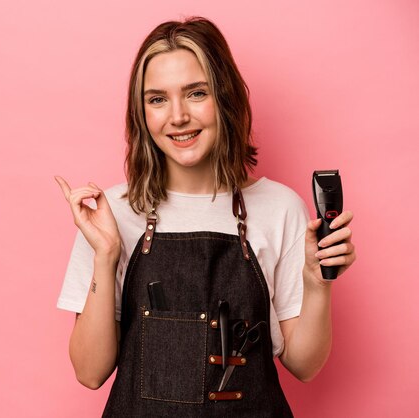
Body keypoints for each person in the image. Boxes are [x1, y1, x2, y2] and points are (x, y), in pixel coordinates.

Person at [55, 17, 356, 417]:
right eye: (157, 99)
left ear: (225, 97)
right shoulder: (111, 214)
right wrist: (106, 255)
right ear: (142, 113)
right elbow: (90, 372)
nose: (177, 116)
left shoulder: (280, 207)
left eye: (196, 93)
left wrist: (317, 285)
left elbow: (305, 365)